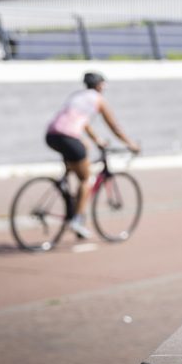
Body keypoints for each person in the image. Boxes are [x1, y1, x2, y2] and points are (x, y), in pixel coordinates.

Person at [45, 71, 140, 238]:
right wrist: (131, 144)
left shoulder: (77, 96)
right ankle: (77, 220)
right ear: (99, 85)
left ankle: (71, 204)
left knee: (80, 159)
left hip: (52, 135)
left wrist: (97, 140)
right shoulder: (98, 99)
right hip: (68, 137)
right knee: (86, 179)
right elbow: (114, 126)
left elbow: (84, 122)